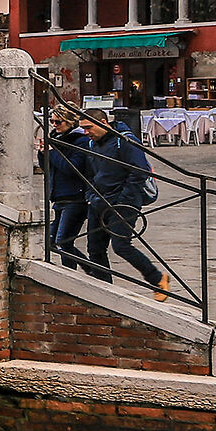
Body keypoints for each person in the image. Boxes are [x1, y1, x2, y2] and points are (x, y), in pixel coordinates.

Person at [76, 109, 169, 300]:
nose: (86, 132)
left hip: (122, 204)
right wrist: (91, 196)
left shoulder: (124, 141)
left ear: (103, 122)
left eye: (88, 127)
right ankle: (104, 291)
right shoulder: (93, 144)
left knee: (121, 245)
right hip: (98, 202)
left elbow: (140, 172)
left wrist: (123, 200)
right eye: (82, 129)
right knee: (95, 248)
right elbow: (90, 174)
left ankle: (157, 279)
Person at [43, 108, 101, 271]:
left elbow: (72, 168)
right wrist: (43, 154)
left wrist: (52, 153)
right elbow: (48, 168)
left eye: (58, 122)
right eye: (52, 122)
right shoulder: (56, 137)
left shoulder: (80, 141)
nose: (54, 125)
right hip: (59, 195)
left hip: (75, 197)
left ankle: (84, 271)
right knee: (52, 241)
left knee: (62, 241)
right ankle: (83, 269)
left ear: (69, 122)